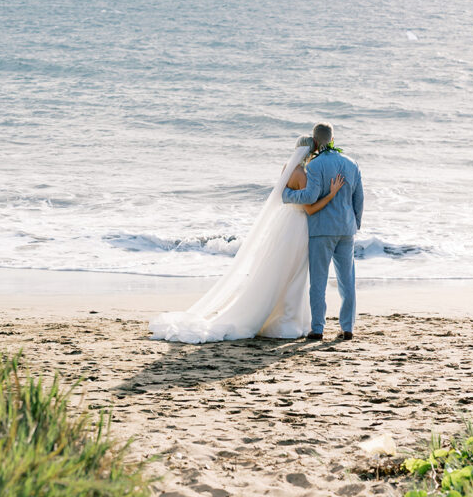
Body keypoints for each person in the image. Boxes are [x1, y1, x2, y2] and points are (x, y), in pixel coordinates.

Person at [149, 135, 345, 343]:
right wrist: (332, 194)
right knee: (295, 275)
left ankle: (285, 317)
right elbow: (310, 208)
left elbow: (286, 196)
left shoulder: (287, 167)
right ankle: (288, 321)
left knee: (280, 272)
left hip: (284, 225)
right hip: (298, 228)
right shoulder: (302, 174)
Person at [282, 122, 363, 342]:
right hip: (346, 229)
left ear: (315, 141)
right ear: (333, 139)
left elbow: (309, 197)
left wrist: (286, 195)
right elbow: (359, 198)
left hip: (321, 229)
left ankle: (318, 329)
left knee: (318, 281)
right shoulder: (352, 163)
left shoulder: (316, 165)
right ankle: (348, 328)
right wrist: (355, 223)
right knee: (347, 280)